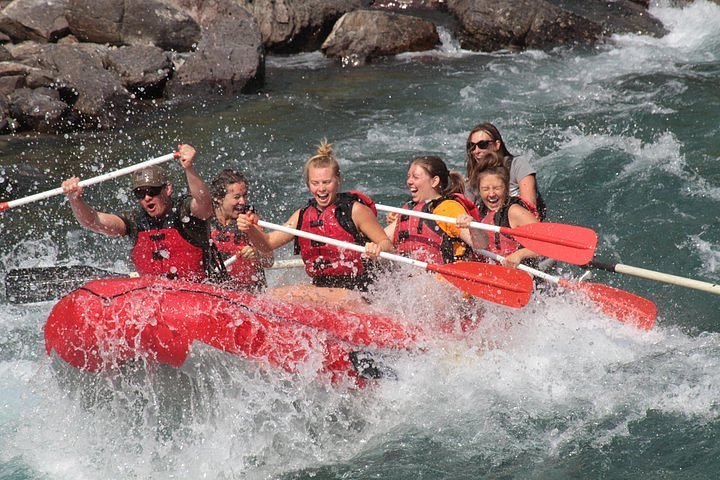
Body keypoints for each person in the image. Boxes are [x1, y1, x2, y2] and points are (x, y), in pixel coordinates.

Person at [61, 144, 215, 281]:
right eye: (140, 194)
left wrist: (189, 168)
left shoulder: (185, 211)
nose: (147, 198)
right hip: (155, 298)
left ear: (167, 189)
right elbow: (93, 221)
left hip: (200, 292)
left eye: (152, 190)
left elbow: (204, 203)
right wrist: (75, 200)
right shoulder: (134, 221)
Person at [266, 139, 393, 292]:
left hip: (358, 290)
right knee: (274, 294)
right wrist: (249, 228)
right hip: (323, 289)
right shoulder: (302, 215)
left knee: (292, 293)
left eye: (327, 182)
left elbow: (388, 246)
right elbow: (268, 243)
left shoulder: (356, 211)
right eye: (315, 183)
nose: (321, 189)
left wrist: (377, 248)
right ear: (308, 184)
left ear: (338, 181)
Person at [385, 155, 488, 264]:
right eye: (409, 176)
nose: (409, 181)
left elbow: (480, 244)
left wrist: (472, 226)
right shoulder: (409, 209)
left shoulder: (448, 208)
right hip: (409, 275)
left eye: (415, 177)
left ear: (434, 181)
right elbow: (383, 239)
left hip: (444, 276)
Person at [459, 164, 540, 269]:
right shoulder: (482, 211)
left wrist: (519, 255)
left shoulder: (514, 211)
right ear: (479, 190)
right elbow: (481, 245)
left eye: (497, 188)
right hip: (497, 274)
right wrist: (472, 226)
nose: (491, 194)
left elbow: (547, 245)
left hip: (525, 276)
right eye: (485, 189)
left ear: (506, 189)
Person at [465, 122, 546, 219]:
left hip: (522, 221)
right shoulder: (472, 180)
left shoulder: (518, 165)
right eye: (472, 146)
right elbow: (468, 213)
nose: (476, 151)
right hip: (493, 227)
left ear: (497, 145)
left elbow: (530, 207)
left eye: (483, 144)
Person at [209, 169, 274, 291]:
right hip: (215, 292)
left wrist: (256, 254)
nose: (243, 202)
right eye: (237, 197)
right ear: (219, 198)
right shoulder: (205, 220)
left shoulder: (251, 219)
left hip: (249, 292)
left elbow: (269, 261)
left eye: (245, 195)